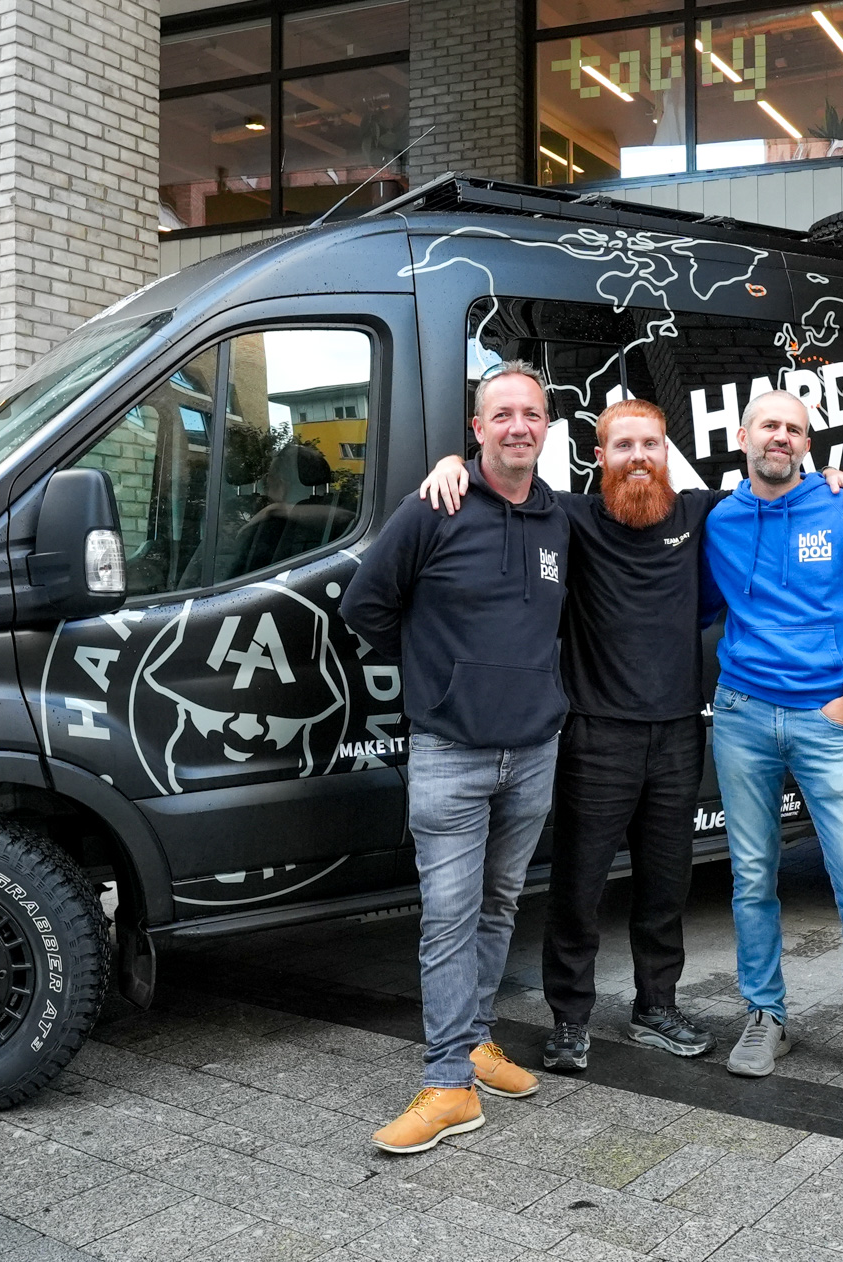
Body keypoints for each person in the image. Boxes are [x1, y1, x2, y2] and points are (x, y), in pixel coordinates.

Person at [417, 398, 843, 1074]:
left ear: (667, 455)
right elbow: (503, 481)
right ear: (599, 457)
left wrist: (833, 475)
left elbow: (774, 478)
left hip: (679, 733)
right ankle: (570, 1019)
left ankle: (655, 1007)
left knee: (666, 883)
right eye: (623, 446)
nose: (637, 457)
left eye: (650, 445)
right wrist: (453, 463)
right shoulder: (568, 520)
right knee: (579, 887)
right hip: (596, 736)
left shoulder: (699, 514)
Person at [339, 361, 568, 1154]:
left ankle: (474, 1042)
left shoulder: (558, 520)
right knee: (446, 918)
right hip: (449, 752)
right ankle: (447, 1083)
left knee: (501, 904)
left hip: (534, 752)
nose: (517, 427)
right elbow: (363, 605)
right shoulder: (433, 507)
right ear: (477, 430)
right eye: (500, 414)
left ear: (546, 427)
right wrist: (438, 669)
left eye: (530, 415)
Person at [701, 389, 843, 1094]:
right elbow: (696, 603)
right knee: (751, 878)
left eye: (795, 429)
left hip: (825, 725)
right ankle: (767, 1015)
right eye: (770, 425)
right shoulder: (719, 522)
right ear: (744, 436)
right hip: (741, 716)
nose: (782, 438)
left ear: (808, 445)